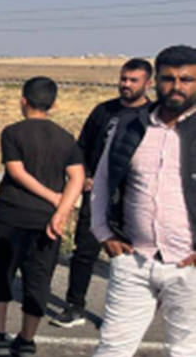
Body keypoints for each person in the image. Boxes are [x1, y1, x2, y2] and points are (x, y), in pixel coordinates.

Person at [35, 46, 196, 357]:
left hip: (188, 266)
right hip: (134, 258)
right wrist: (104, 232)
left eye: (186, 79)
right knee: (113, 344)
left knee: (184, 354)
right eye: (169, 78)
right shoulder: (132, 126)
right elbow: (103, 177)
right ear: (156, 80)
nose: (176, 86)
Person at [0, 78, 84, 357]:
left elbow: (16, 171)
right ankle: (27, 340)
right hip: (47, 221)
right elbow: (77, 177)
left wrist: (53, 198)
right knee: (38, 278)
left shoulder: (13, 132)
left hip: (11, 214)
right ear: (53, 104)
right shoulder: (65, 137)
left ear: (23, 101)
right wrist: (61, 210)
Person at [53, 58, 153, 327]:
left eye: (133, 80)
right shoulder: (104, 111)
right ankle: (74, 306)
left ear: (148, 83)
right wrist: (84, 175)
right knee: (84, 251)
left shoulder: (153, 115)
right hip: (98, 194)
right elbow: (82, 146)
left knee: (129, 258)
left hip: (134, 196)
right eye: (123, 79)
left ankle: (122, 315)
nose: (126, 84)